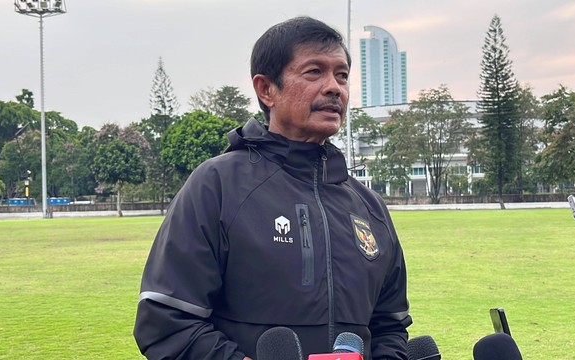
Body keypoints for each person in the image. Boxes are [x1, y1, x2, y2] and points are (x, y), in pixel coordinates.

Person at [133, 16, 412, 360]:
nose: (334, 88)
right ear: (267, 89)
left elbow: (390, 324)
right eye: (314, 72)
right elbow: (167, 321)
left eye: (342, 75)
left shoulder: (368, 205)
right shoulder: (217, 186)